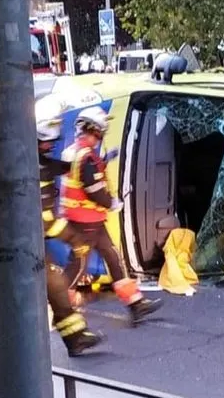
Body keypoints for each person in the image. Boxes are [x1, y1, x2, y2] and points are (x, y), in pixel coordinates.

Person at [0, 116, 103, 356]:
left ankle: (75, 337)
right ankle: (73, 338)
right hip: (24, 242)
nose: (50, 146)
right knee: (32, 289)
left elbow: (52, 166)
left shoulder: (30, 160)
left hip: (22, 240)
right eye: (46, 142)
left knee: (38, 288)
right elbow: (46, 221)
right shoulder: (34, 170)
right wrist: (74, 239)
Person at [60, 107, 162, 325]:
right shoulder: (86, 157)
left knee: (114, 259)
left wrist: (104, 160)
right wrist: (112, 203)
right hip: (85, 223)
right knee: (77, 267)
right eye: (100, 132)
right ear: (94, 130)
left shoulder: (78, 152)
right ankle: (56, 306)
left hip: (90, 222)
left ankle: (135, 304)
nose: (100, 137)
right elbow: (93, 189)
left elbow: (83, 177)